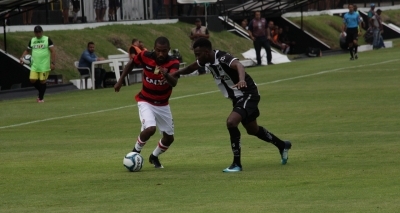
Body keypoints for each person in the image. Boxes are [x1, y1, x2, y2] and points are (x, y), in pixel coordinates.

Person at [172, 38, 292, 172]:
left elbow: (239, 65)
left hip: (248, 93)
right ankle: (282, 145)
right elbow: (191, 67)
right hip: (238, 97)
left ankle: (237, 164)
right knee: (253, 130)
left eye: (198, 54)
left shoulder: (222, 57)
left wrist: (241, 80)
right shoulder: (205, 59)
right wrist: (177, 73)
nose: (197, 57)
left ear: (206, 52)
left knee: (231, 122)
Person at [114, 36, 180, 169]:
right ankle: (135, 152)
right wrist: (121, 80)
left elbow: (174, 83)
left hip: (163, 104)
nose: (161, 54)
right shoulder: (145, 56)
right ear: (154, 49)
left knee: (169, 138)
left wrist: (166, 74)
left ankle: (154, 156)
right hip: (146, 100)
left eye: (164, 51)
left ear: (169, 50)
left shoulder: (173, 63)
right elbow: (131, 63)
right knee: (150, 128)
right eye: (158, 50)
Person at [19, 26, 56, 103]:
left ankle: (40, 98)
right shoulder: (32, 40)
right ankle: (41, 91)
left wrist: (53, 63)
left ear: (42, 32)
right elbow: (27, 50)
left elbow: (53, 51)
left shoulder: (47, 39)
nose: (38, 33)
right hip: (34, 64)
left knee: (42, 80)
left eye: (39, 32)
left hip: (44, 64)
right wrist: (22, 58)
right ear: (34, 33)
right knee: (32, 80)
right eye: (36, 32)